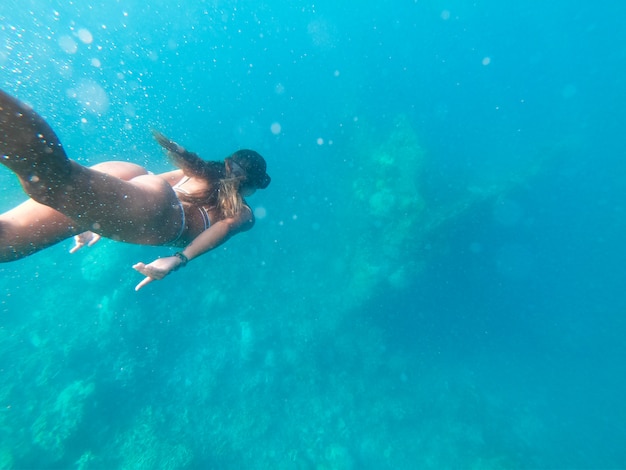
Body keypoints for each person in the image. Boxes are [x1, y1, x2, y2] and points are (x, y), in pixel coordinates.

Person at [0, 89, 270, 290]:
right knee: (50, 179)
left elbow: (152, 183)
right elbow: (223, 229)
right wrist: (179, 259)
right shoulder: (243, 212)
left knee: (8, 238)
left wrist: (93, 221)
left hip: (135, 179)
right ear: (254, 186)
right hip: (156, 211)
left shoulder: (197, 173)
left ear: (226, 163)